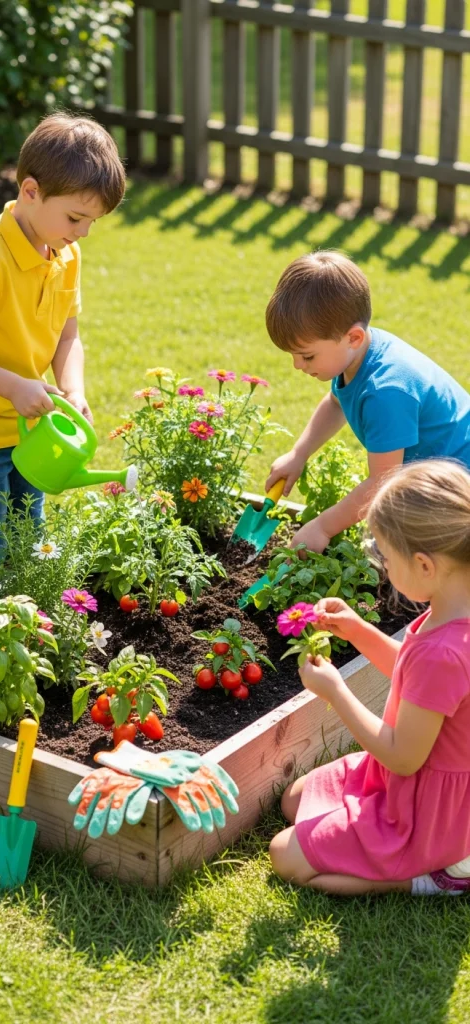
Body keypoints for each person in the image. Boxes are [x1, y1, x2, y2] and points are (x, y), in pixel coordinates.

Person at [0, 112, 126, 550]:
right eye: (75, 218)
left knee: (31, 535)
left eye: (93, 222)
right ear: (31, 191)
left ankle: (27, 617)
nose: (84, 233)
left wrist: (73, 391)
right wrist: (15, 386)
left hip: (31, 427)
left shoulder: (64, 254)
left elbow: (67, 335)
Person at [269, 460, 470, 895]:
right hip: (401, 781)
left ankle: (433, 877)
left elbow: (402, 756)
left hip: (423, 811)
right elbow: (413, 675)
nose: (382, 565)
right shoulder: (454, 612)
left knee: (283, 855)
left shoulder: (445, 653)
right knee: (294, 801)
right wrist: (359, 630)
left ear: (424, 565)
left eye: (384, 554)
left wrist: (336, 693)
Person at [264, 251, 470, 553]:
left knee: (416, 566)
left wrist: (322, 527)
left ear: (354, 337)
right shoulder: (358, 353)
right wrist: (299, 453)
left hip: (458, 488)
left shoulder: (385, 391)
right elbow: (336, 403)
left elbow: (382, 484)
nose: (298, 365)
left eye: (307, 355)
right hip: (432, 478)